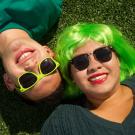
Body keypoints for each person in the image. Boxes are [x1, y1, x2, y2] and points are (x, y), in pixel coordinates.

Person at [41, 23, 135, 135]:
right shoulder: (62, 123)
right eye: (80, 62)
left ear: (118, 58)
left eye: (103, 54)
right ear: (72, 76)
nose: (94, 66)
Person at [0, 0, 63, 102]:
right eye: (46, 67)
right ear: (48, 52)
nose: (32, 65)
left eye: (27, 80)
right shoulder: (46, 7)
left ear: (9, 81)